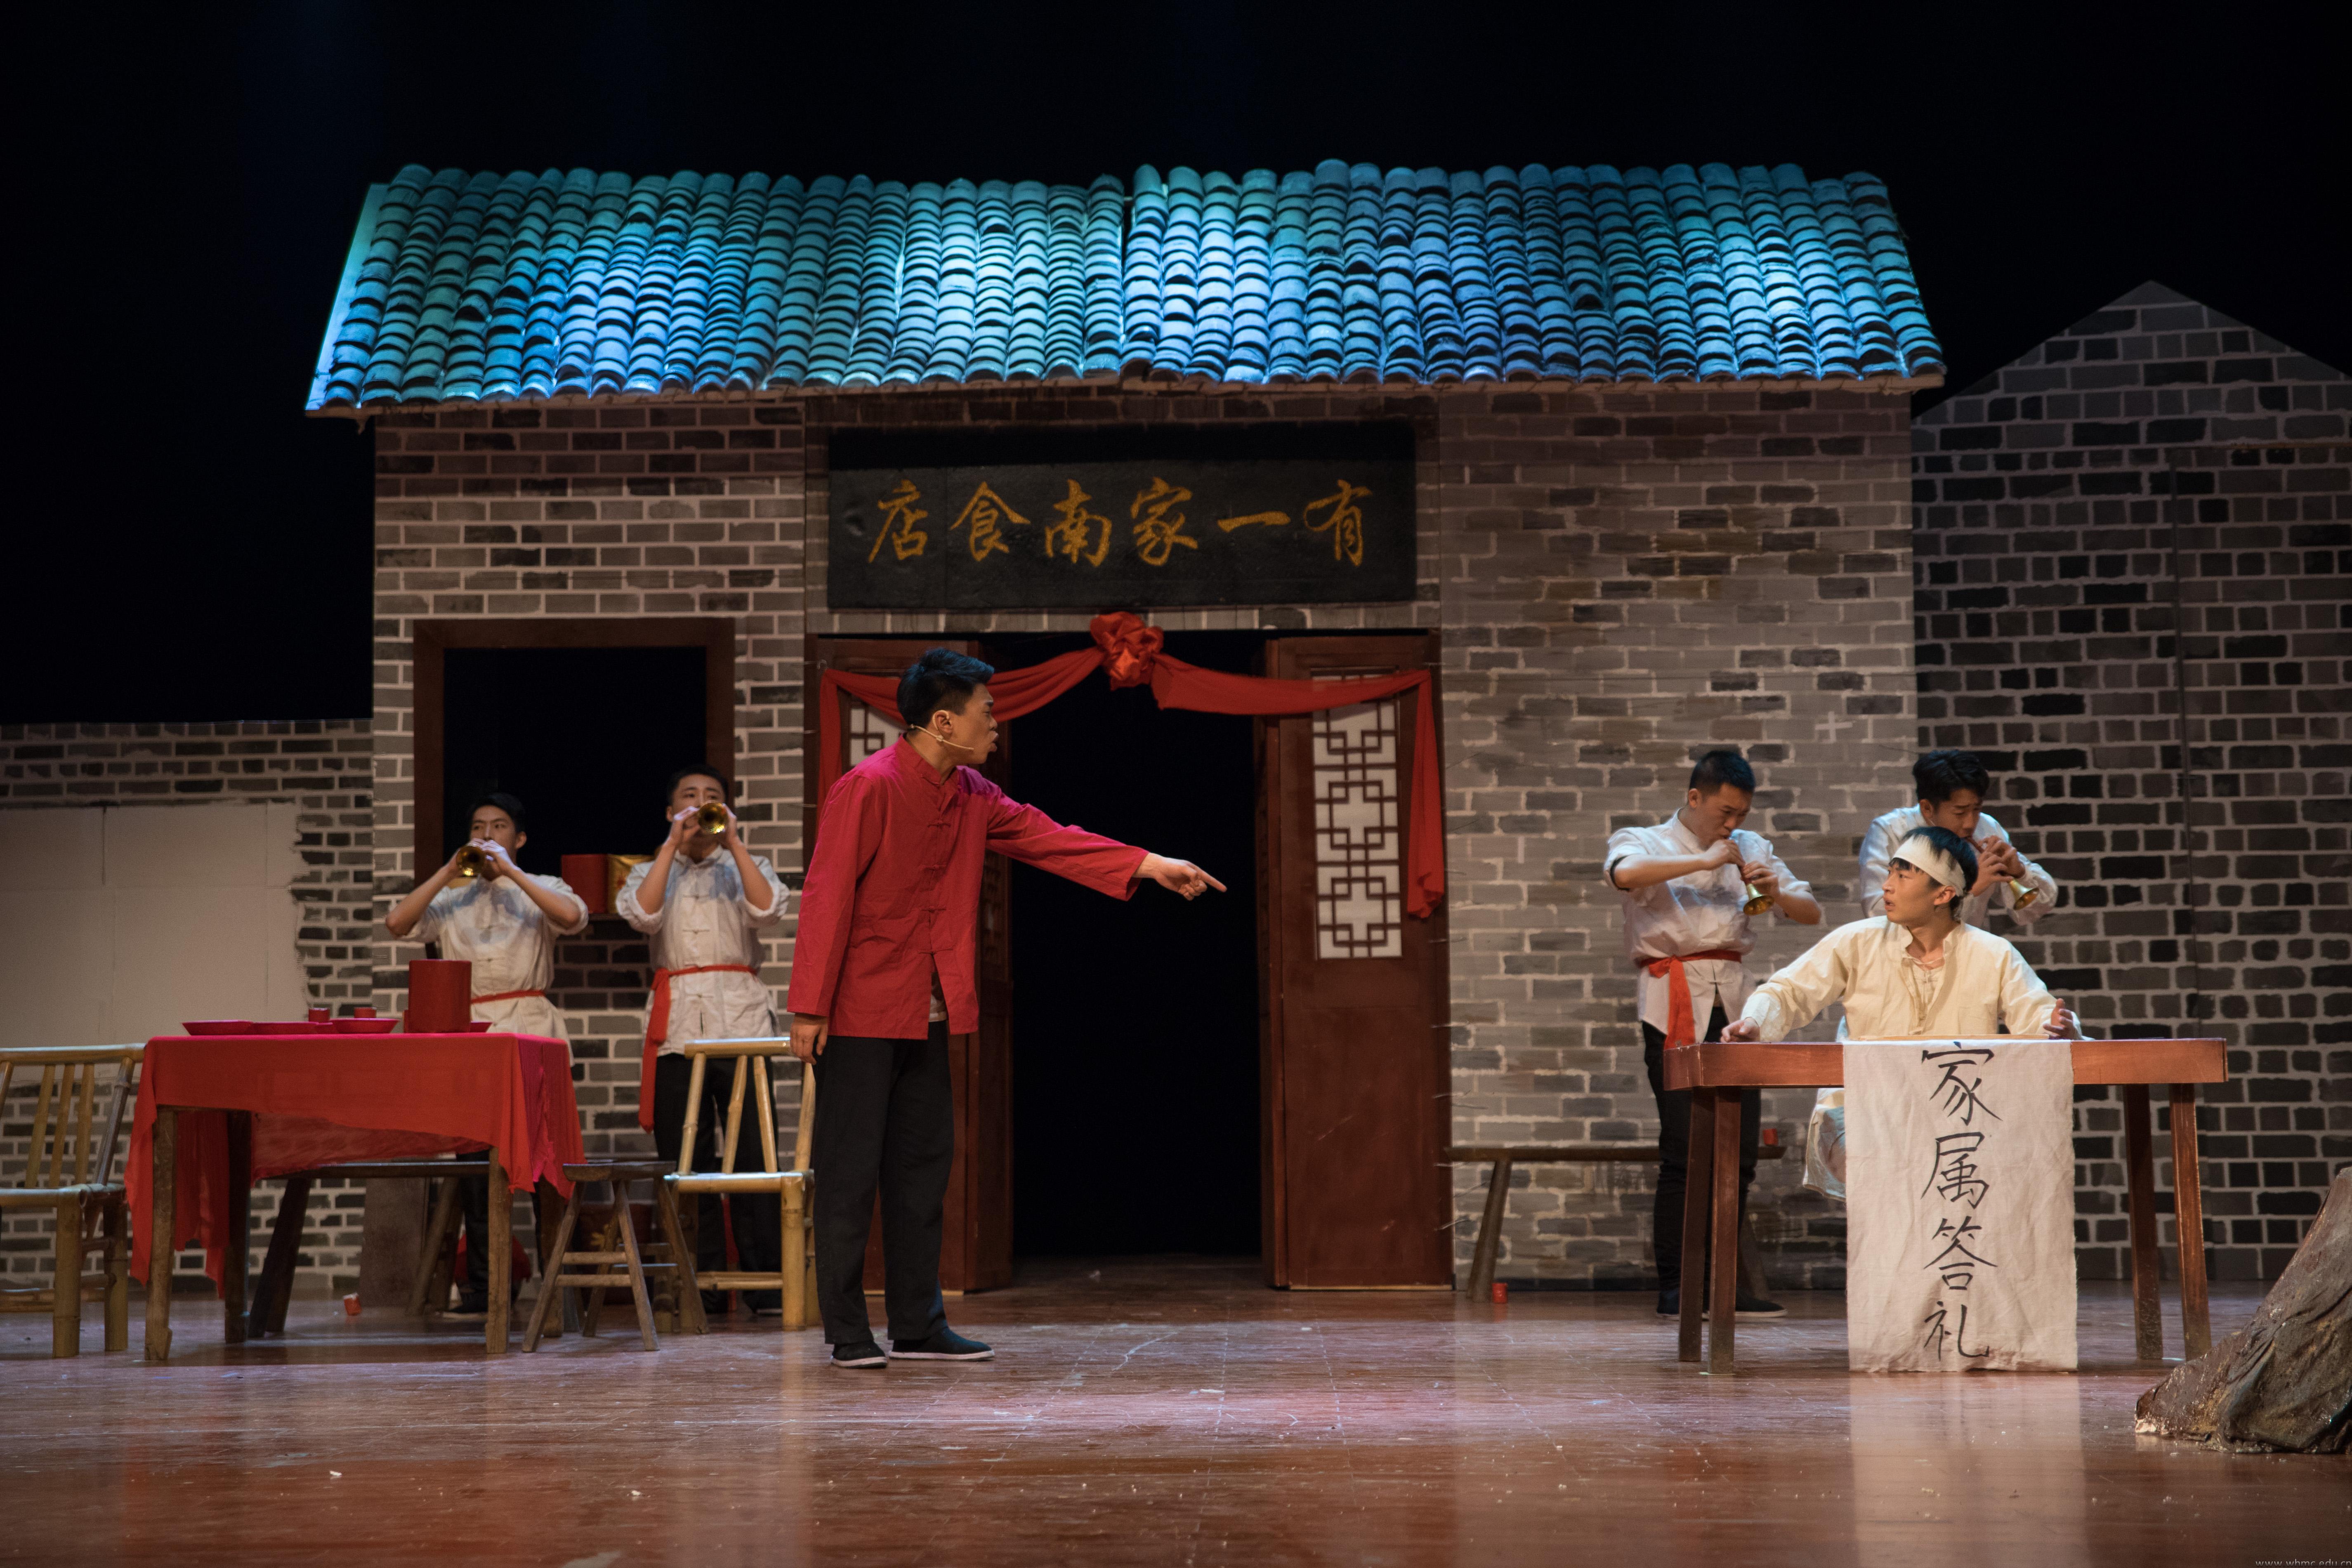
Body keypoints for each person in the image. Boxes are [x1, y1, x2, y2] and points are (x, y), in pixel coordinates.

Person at [788, 648, 1225, 1370]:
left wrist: (1149, 864)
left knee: (922, 1171)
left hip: (928, 1007)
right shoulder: (867, 787)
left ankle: (918, 1324)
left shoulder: (973, 793)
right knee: (849, 1173)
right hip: (859, 1008)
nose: (996, 725)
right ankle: (847, 1330)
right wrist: (808, 1007)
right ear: (942, 721)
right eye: (986, 713)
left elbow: (1049, 838)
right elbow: (827, 895)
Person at [1604, 750, 1822, 1322]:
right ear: (1694, 797)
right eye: (1725, 812)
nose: (1733, 824)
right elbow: (1623, 874)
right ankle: (1678, 1286)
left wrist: (1775, 889)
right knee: (1684, 1148)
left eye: (1741, 814)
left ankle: (1725, 1284)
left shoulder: (1750, 847)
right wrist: (1702, 860)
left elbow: (1810, 911)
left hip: (1736, 1008)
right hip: (1672, 1000)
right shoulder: (1646, 840)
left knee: (1738, 1151)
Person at [385, 792, 589, 1314]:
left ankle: (556, 1285)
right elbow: (398, 924)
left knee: (545, 1160)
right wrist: (449, 870)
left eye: (499, 827)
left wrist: (511, 873)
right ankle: (485, 1285)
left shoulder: (542, 886)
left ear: (519, 838)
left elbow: (571, 917)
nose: (487, 835)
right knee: (476, 1163)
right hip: (473, 1033)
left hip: (531, 1025)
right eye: (478, 827)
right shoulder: (453, 897)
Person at [619, 766, 790, 1316]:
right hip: (677, 1029)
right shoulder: (651, 870)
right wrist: (672, 844)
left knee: (753, 1154)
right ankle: (701, 1285)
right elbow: (643, 915)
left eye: (712, 798)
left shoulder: (747, 864)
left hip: (740, 1022)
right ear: (672, 810)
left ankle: (764, 1282)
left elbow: (768, 910)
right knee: (685, 1158)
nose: (700, 805)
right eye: (689, 797)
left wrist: (734, 842)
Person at [1725, 824, 2085, 1045]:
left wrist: (2060, 1029)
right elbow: (1788, 991)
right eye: (1889, 873)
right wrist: (1756, 1022)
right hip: (1871, 1105)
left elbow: (2038, 1014)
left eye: (1902, 876)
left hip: (1956, 1113)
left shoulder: (1992, 953)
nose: (1886, 886)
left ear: (1943, 894)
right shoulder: (1857, 941)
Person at [1860, 750, 2057, 927]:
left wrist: (2019, 872)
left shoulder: (1987, 827)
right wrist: (1970, 889)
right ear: (1927, 808)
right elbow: (1878, 914)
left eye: (1977, 809)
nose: (1971, 824)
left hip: (1969, 949)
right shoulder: (1890, 832)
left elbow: (2030, 912)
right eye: (1960, 812)